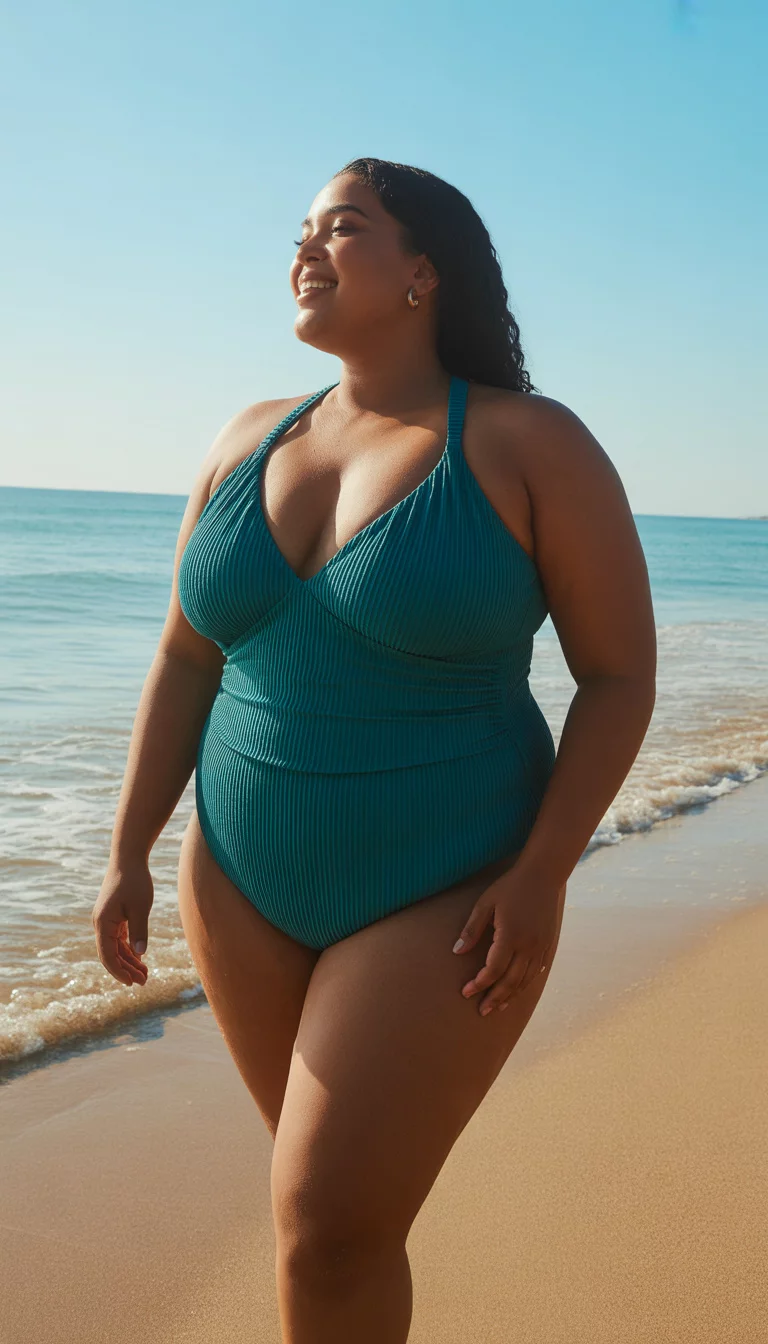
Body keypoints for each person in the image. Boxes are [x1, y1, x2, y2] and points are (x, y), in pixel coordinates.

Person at [92, 157, 656, 1343]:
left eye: (340, 228)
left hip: (450, 886)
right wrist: (128, 847)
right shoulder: (246, 436)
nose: (304, 249)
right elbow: (188, 658)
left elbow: (616, 676)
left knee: (326, 1223)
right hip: (237, 878)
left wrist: (544, 869)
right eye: (299, 230)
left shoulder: (526, 442)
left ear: (422, 273)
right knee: (336, 1224)